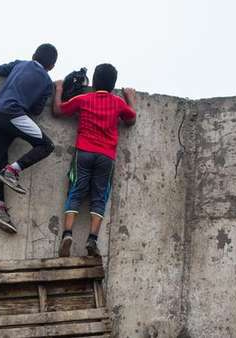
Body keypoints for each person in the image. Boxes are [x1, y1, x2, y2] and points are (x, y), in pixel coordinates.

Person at [52, 63, 137, 257]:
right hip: (106, 156)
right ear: (113, 83)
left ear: (95, 81)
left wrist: (58, 89)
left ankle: (67, 234)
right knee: (100, 197)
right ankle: (92, 240)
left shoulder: (83, 99)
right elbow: (131, 120)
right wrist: (130, 99)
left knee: (76, 191)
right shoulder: (118, 103)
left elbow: (58, 110)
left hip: (84, 152)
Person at [0, 43, 58, 233]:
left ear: (33, 55)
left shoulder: (19, 64)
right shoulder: (47, 81)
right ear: (52, 66)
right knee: (46, 145)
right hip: (13, 114)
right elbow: (36, 110)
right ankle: (13, 171)